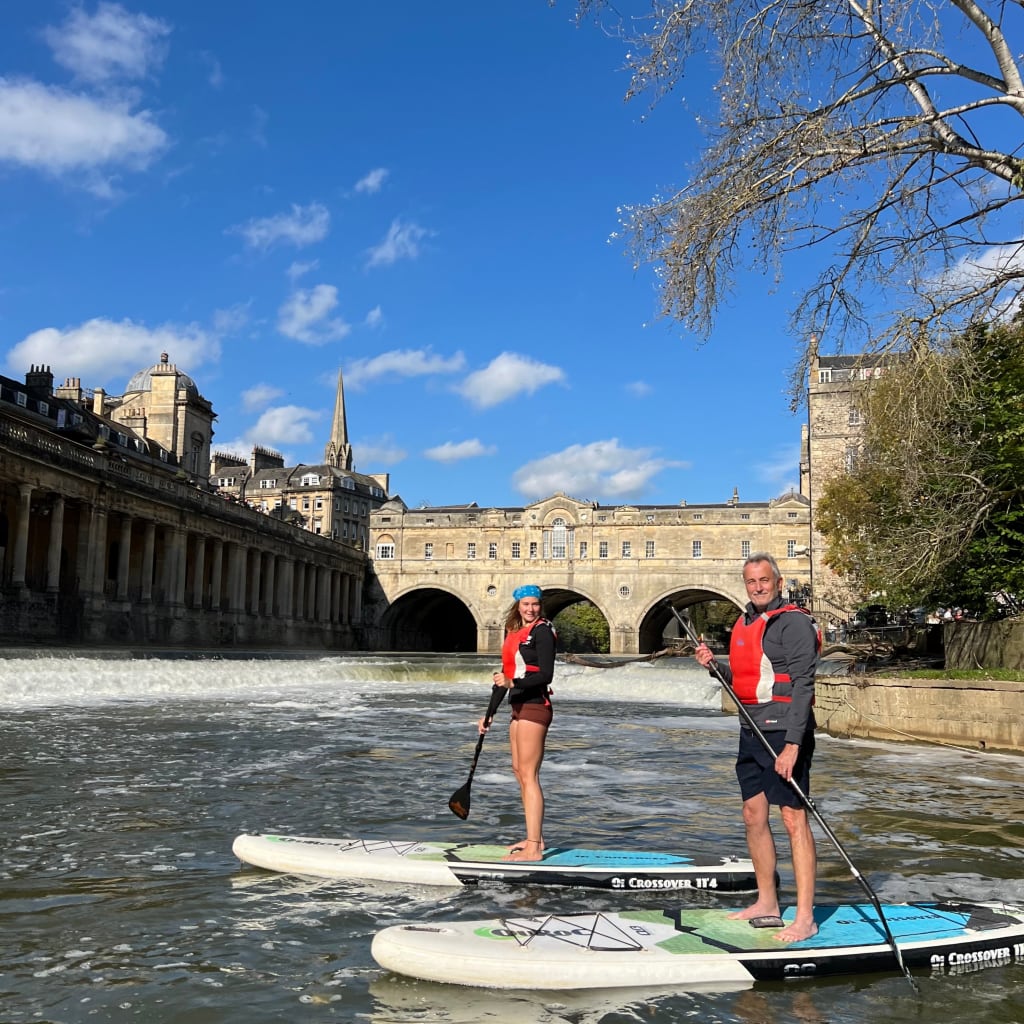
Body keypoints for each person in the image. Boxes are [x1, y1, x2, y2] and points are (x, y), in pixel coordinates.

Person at [694, 553, 820, 943]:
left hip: (784, 732)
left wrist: (793, 746)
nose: (758, 587)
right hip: (751, 729)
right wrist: (715, 667)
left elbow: (803, 686)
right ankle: (767, 902)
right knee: (753, 814)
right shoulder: (744, 621)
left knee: (792, 819)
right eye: (751, 582)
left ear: (778, 582)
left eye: (765, 580)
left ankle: (805, 916)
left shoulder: (794, 623)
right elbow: (747, 679)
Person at [479, 583, 556, 863]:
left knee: (529, 775)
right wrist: (489, 713)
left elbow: (545, 675)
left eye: (535, 604)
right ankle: (533, 837)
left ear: (540, 606)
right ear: (517, 606)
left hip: (536, 707)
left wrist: (514, 682)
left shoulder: (543, 631)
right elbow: (504, 678)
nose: (530, 609)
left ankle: (534, 847)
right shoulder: (514, 633)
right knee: (519, 773)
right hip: (518, 707)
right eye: (525, 604)